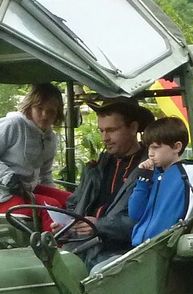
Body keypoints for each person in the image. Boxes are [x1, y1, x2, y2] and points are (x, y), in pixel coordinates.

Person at [64, 98, 155, 254]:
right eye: (101, 130)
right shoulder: (96, 167)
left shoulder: (152, 169)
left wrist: (99, 225)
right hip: (80, 248)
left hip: (122, 253)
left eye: (112, 130)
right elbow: (74, 204)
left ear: (133, 128)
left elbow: (148, 221)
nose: (105, 138)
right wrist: (66, 227)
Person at [0, 83, 71, 227]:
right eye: (39, 109)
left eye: (51, 111)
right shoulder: (13, 124)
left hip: (28, 190)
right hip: (4, 196)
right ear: (30, 107)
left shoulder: (50, 137)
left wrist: (52, 195)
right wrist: (8, 177)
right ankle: (53, 247)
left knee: (71, 200)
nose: (44, 115)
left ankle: (76, 240)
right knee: (50, 207)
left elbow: (45, 174)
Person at [125, 117, 193, 248]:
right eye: (149, 148)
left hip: (166, 245)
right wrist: (142, 181)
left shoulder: (190, 172)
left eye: (156, 148)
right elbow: (135, 213)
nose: (150, 154)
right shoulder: (153, 174)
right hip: (141, 246)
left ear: (176, 147)